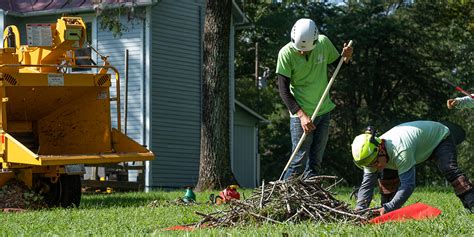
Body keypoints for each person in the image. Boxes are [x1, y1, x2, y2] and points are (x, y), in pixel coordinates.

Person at [277, 18, 353, 179]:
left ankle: (310, 198)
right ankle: (284, 197)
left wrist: (346, 57)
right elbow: (283, 90)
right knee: (298, 161)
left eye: (307, 49)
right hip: (301, 114)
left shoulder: (323, 43)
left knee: (315, 162)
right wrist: (302, 116)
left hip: (323, 110)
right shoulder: (285, 53)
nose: (302, 52)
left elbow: (340, 65)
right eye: (300, 49)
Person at [351, 121, 474, 215]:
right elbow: (367, 185)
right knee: (386, 179)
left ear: (381, 149)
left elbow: (408, 185)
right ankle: (388, 212)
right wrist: (360, 209)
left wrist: (389, 207)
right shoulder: (370, 156)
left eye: (376, 162)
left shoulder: (400, 150)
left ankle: (472, 204)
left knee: (449, 170)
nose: (376, 167)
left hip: (440, 138)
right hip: (417, 146)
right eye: (371, 165)